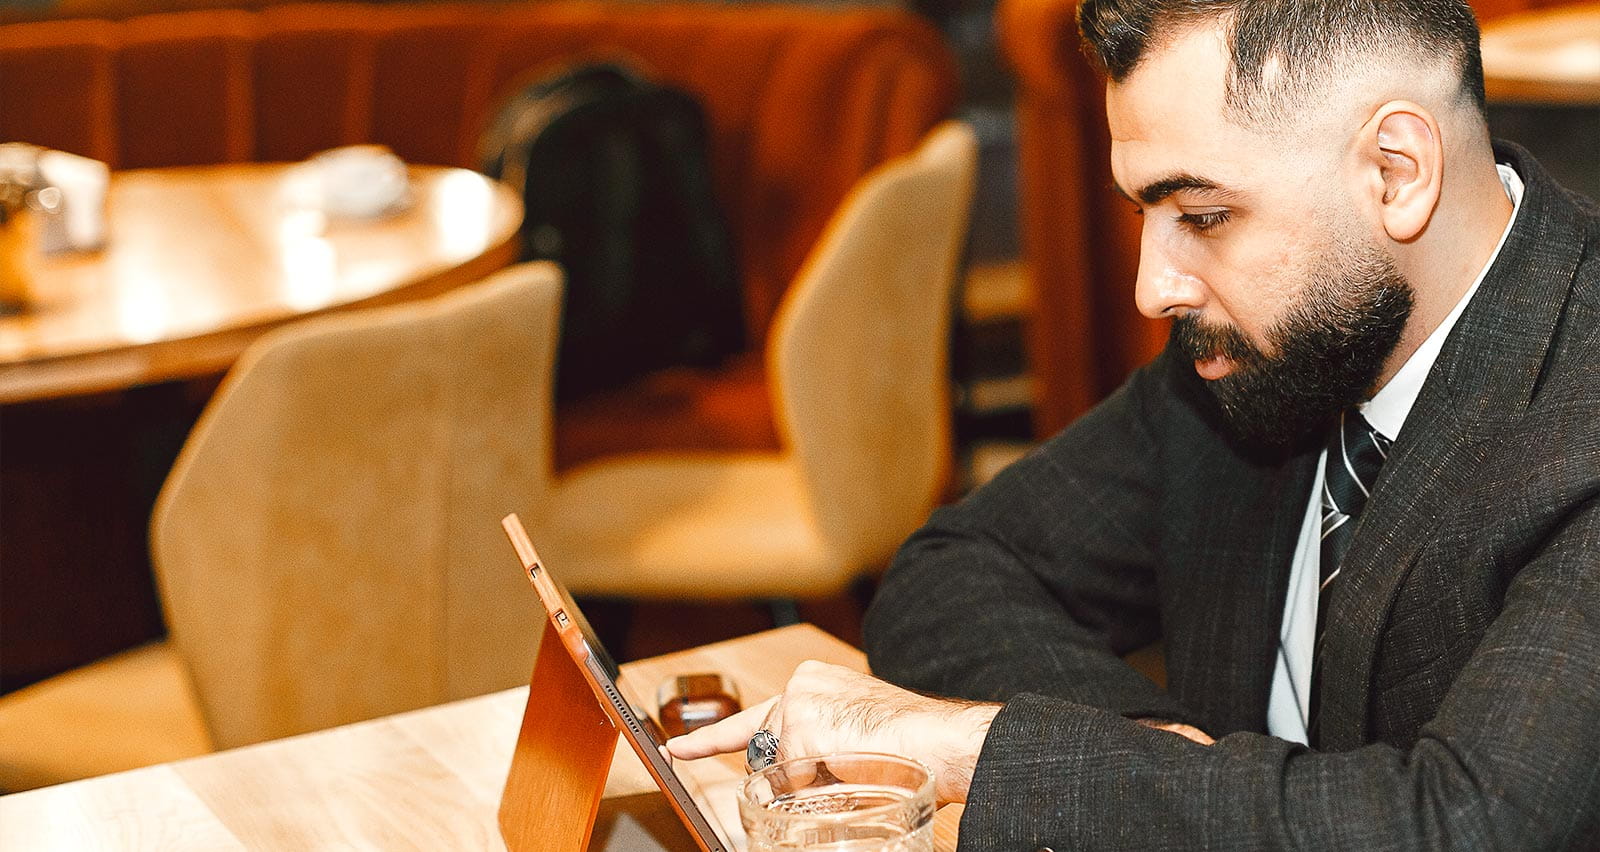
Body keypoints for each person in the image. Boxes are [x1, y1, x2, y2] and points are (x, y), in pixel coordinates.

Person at [668, 0, 1600, 846]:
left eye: (1204, 213)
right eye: (1150, 214)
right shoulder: (1260, 350)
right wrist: (1152, 769)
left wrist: (979, 750)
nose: (1156, 288)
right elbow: (952, 571)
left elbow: (1472, 823)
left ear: (1396, 171)